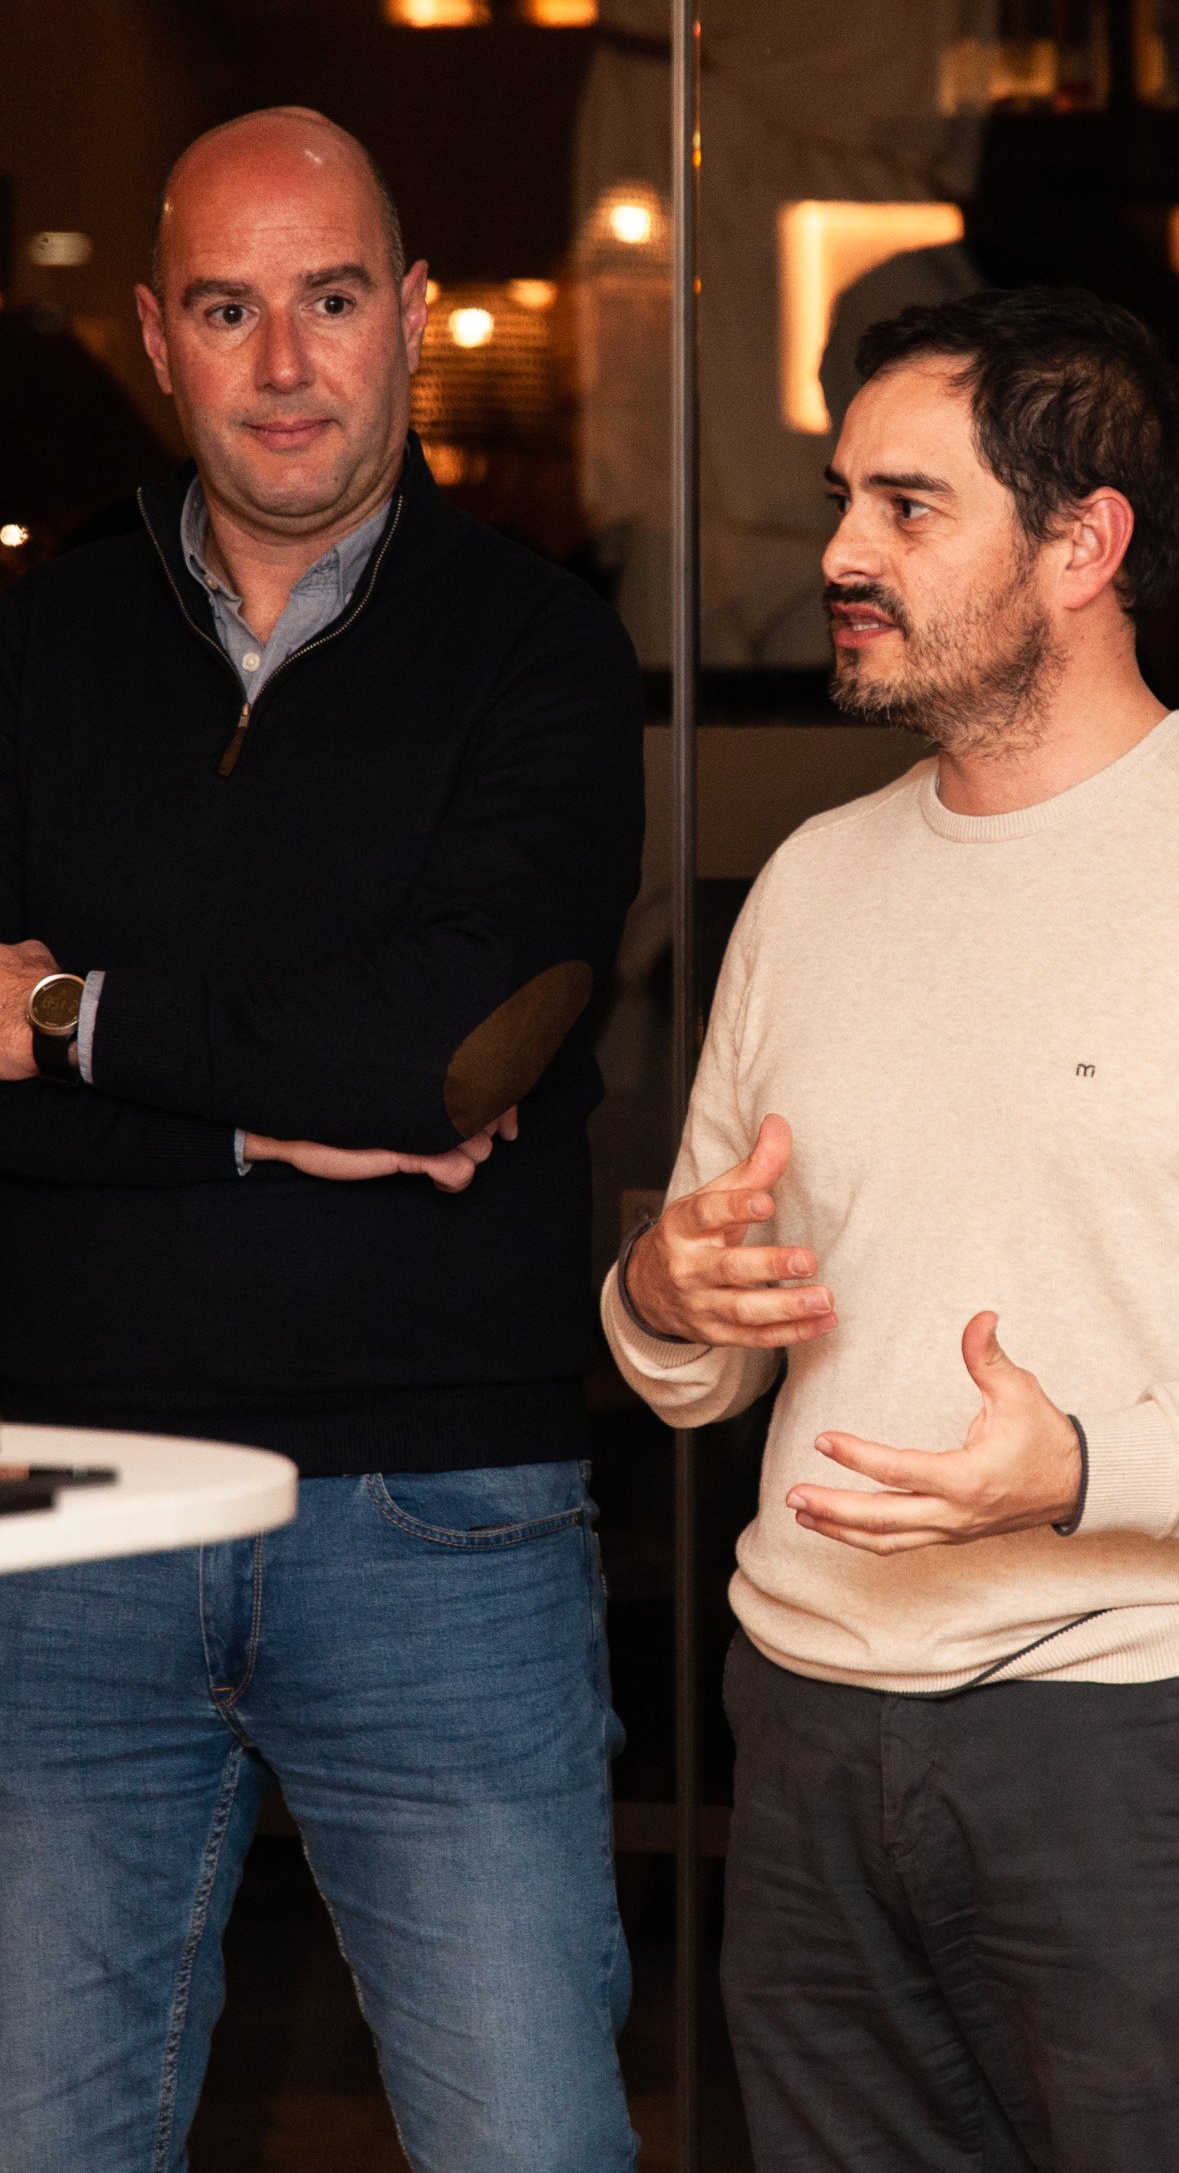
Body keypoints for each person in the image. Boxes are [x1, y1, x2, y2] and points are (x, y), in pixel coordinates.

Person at [605, 286, 1179, 2173]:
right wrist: (664, 1296)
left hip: (1150, 1746)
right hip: (811, 1730)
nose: (840, 554)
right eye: (844, 498)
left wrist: (1092, 1467)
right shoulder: (813, 883)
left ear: (1083, 543)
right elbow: (703, 1358)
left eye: (908, 507)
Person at [0, 108, 644, 2173]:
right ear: (155, 337)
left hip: (434, 1515)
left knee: (526, 2145)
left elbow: (447, 1053)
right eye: (227, 308)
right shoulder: (33, 646)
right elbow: (356, 1077)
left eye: (334, 298)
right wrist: (268, 1140)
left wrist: (71, 1023)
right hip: (66, 1508)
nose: (285, 363)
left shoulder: (539, 649)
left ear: (416, 316)